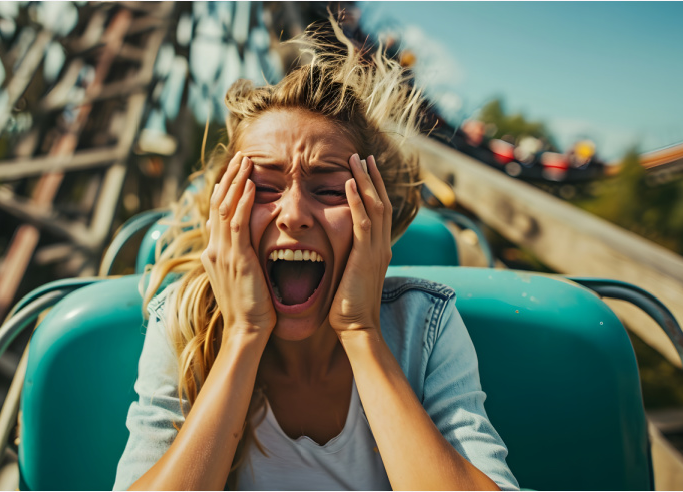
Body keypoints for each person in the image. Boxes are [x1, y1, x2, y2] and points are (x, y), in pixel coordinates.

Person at [113, 19, 518, 491]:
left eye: (328, 189)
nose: (294, 215)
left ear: (374, 212)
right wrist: (243, 335)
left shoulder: (424, 327)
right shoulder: (184, 322)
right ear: (226, 210)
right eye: (263, 188)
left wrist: (362, 333)